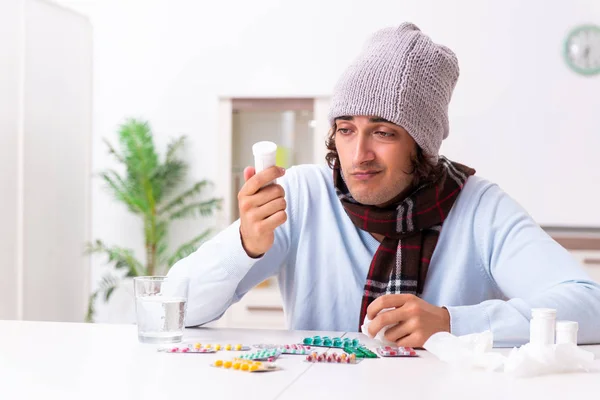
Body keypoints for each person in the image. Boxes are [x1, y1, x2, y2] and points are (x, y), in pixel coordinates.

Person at [168, 22, 600, 347]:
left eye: (384, 132)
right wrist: (244, 244)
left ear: (423, 145)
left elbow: (589, 305)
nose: (358, 155)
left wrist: (452, 324)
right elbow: (172, 308)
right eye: (346, 129)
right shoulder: (301, 195)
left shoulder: (480, 208)